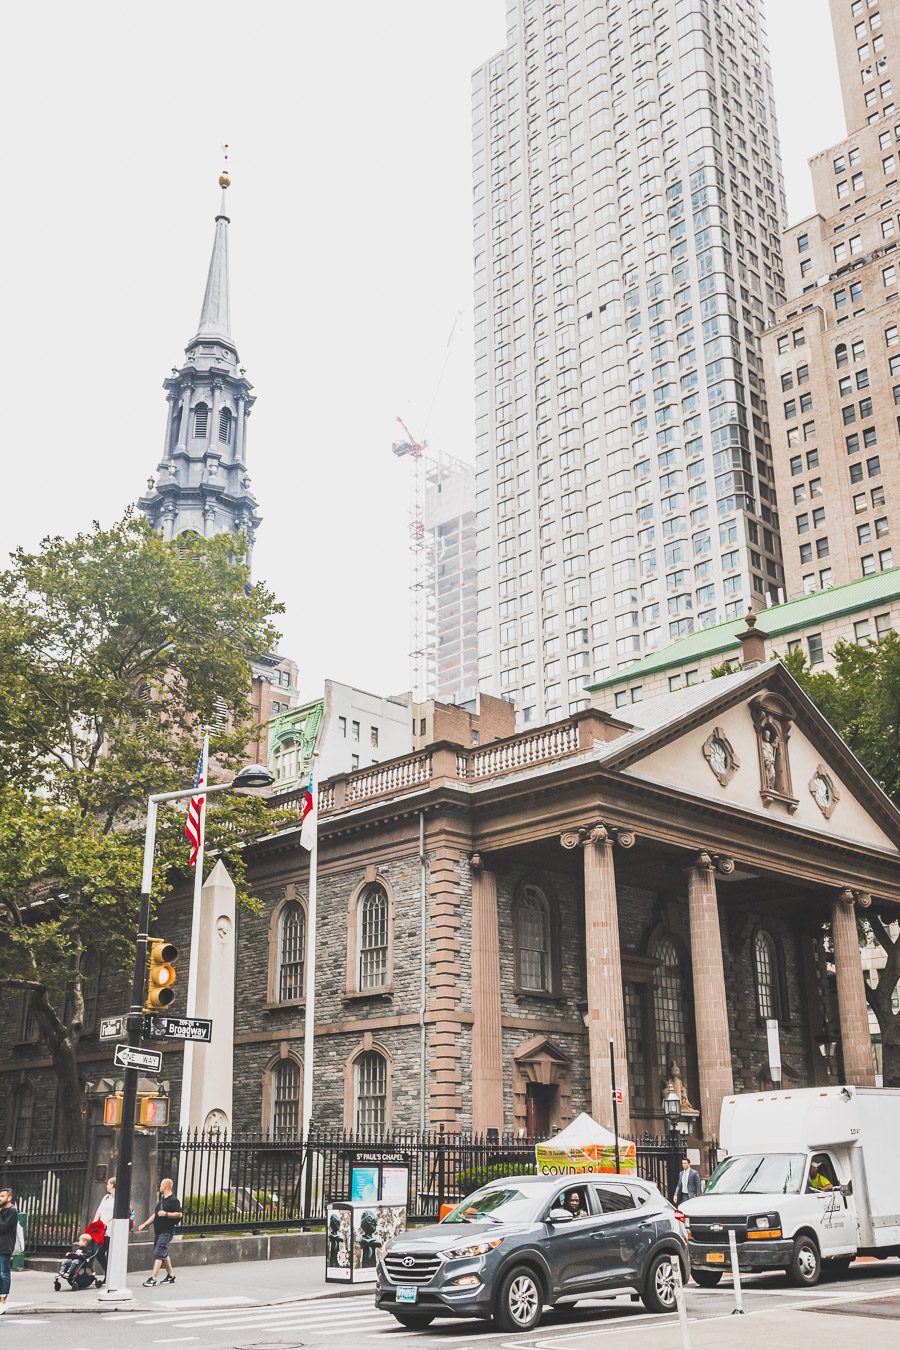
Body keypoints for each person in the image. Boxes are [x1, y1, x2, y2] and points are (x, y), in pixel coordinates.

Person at [137, 1177, 182, 1287]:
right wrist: (145, 1224)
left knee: (158, 1253)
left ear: (165, 1187)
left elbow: (179, 1214)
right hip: (159, 1231)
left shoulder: (173, 1200)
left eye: (161, 1185)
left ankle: (153, 1278)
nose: (160, 1187)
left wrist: (166, 1214)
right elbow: (155, 1214)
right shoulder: (162, 1200)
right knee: (163, 1253)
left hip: (166, 1231)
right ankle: (171, 1276)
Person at [0, 1187, 18, 1314]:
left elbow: (4, 1227)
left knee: (3, 1273)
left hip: (5, 1246)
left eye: (2, 1196)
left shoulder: (12, 1211)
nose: (0, 1198)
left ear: (9, 1197)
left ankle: (3, 1298)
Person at [93, 1177, 115, 1276]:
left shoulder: (120, 1199)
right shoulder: (106, 1197)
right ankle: (108, 1272)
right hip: (102, 1230)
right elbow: (99, 1211)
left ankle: (109, 1276)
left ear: (113, 1185)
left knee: (110, 1254)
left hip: (112, 1231)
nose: (107, 1185)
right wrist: (94, 1225)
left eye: (108, 1184)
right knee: (99, 1253)